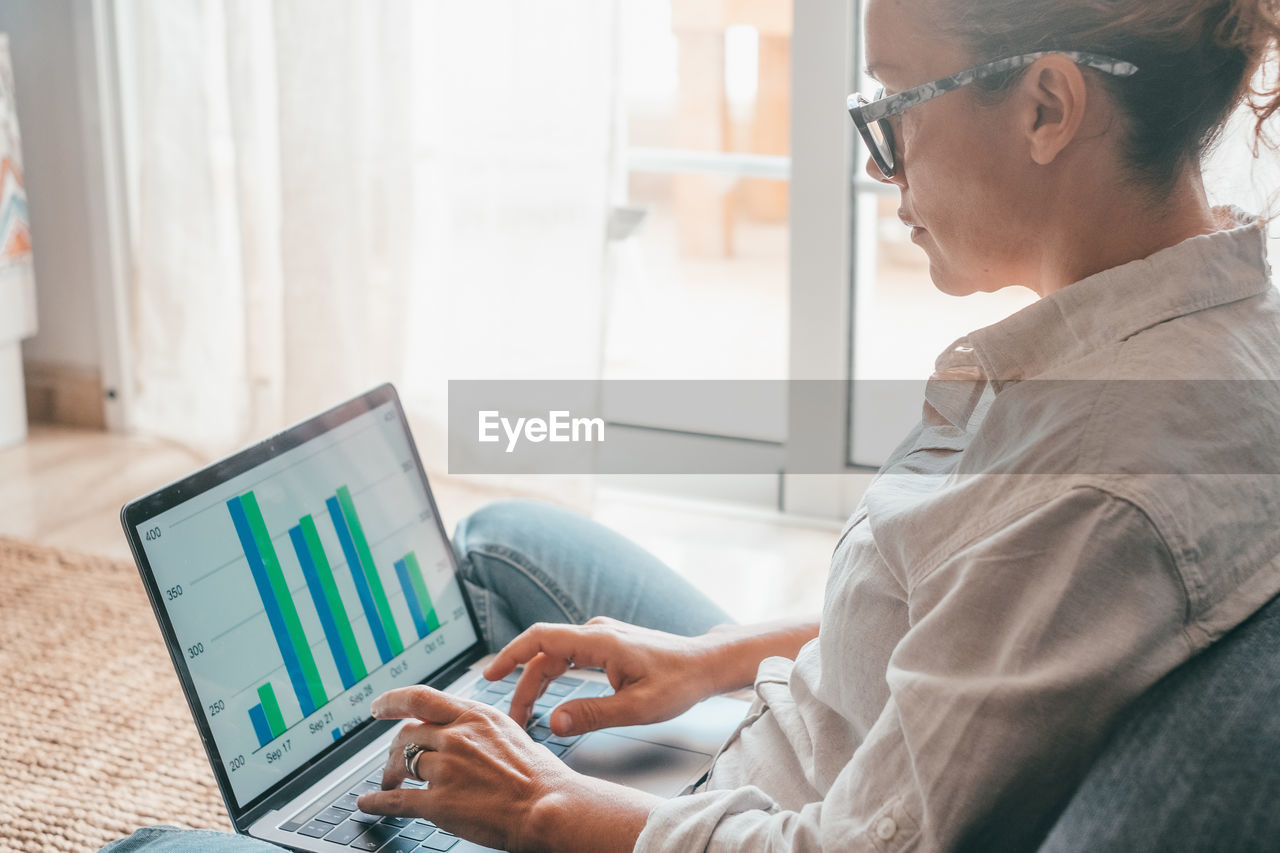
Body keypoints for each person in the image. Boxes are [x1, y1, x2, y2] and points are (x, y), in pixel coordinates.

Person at [105, 0, 1280, 850]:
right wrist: (705, 663)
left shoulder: (1090, 491)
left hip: (732, 820)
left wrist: (542, 804)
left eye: (893, 109)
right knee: (507, 537)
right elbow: (963, 616)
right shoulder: (1205, 325)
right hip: (789, 733)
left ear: (1044, 106)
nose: (879, 165)